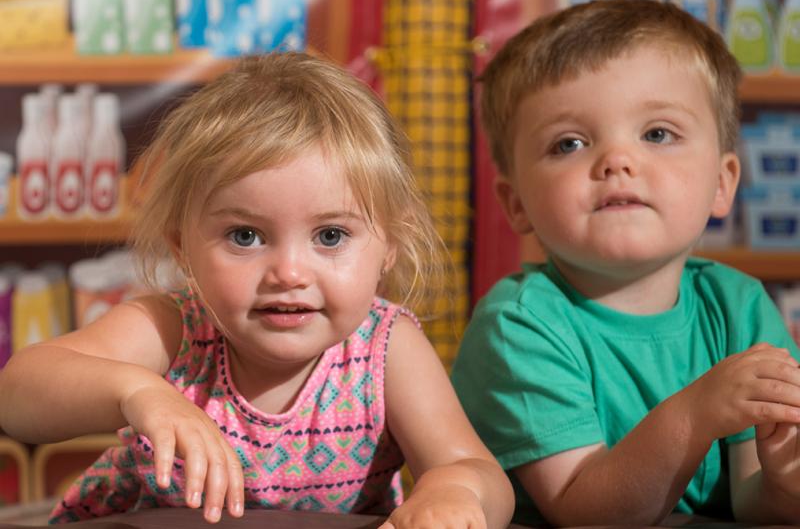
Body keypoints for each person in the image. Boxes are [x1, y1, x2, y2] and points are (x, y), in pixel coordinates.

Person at [0, 52, 513, 528]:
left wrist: (456, 489)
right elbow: (17, 394)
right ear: (183, 247)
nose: (288, 273)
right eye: (245, 236)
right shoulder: (173, 328)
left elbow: (475, 468)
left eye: (330, 236)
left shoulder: (385, 348)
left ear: (390, 248)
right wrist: (137, 392)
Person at [451, 0, 800, 527]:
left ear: (723, 183)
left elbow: (755, 505)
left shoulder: (741, 306)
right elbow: (586, 511)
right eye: (568, 143)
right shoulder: (519, 325)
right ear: (516, 203)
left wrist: (785, 480)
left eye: (658, 134)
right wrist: (697, 412)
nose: (618, 161)